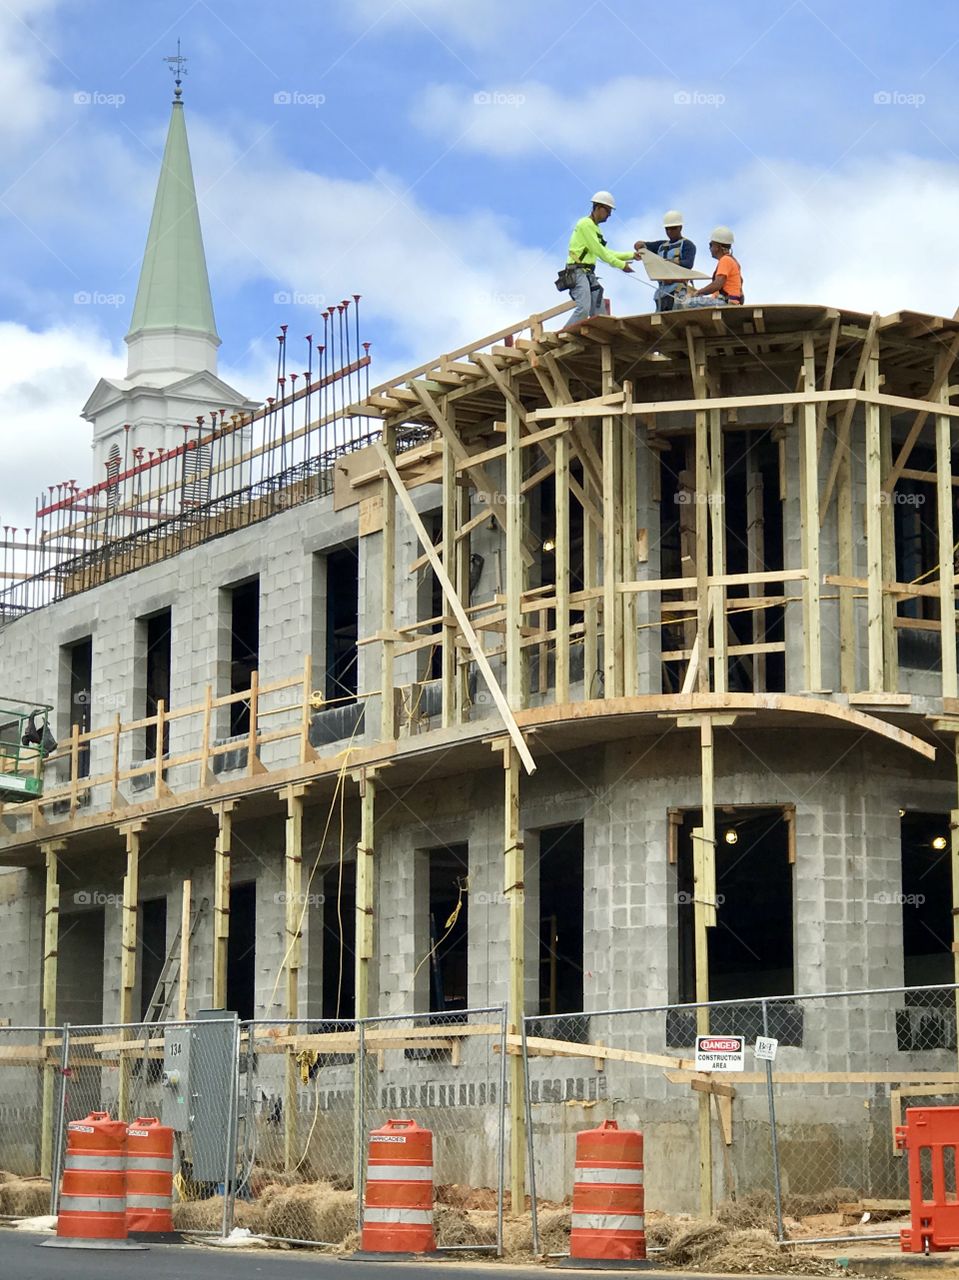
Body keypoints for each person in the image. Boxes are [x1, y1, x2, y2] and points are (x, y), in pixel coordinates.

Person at [563, 191, 638, 327]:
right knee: (583, 308)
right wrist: (621, 265)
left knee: (599, 311)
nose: (609, 215)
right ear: (598, 207)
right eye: (608, 211)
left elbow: (605, 251)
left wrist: (632, 255)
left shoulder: (595, 228)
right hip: (577, 272)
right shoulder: (585, 224)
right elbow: (600, 251)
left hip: (587, 274)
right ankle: (564, 335)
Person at [634, 210, 696, 311]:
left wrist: (670, 263)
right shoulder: (661, 245)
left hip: (677, 290)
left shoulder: (688, 245)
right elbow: (642, 245)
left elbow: (688, 264)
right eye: (667, 229)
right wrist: (640, 246)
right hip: (661, 292)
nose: (670, 232)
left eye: (673, 228)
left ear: (680, 227)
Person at [678, 226, 743, 308]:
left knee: (688, 303)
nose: (709, 248)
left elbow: (717, 285)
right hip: (728, 301)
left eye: (711, 244)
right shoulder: (732, 261)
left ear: (718, 247)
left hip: (725, 303)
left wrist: (697, 293)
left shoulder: (725, 260)